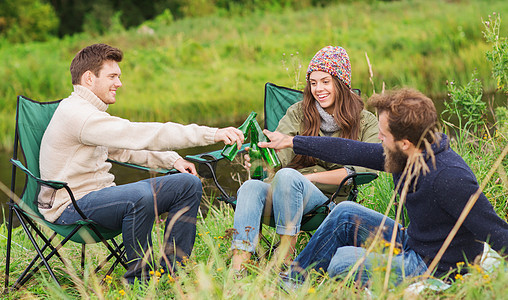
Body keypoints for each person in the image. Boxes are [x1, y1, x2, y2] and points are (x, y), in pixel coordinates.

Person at [38, 43, 244, 283]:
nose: (119, 83)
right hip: (70, 207)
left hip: (100, 197)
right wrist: (211, 134)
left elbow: (124, 150)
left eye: (119, 76)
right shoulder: (79, 115)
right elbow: (141, 133)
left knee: (188, 184)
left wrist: (172, 159)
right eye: (112, 76)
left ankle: (173, 268)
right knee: (139, 196)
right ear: (88, 79)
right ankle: (139, 278)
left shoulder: (89, 113)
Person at [259, 88, 508, 286]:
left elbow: (496, 231)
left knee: (343, 262)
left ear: (405, 143)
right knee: (344, 212)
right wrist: (292, 141)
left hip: (434, 267)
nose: (379, 139)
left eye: (383, 135)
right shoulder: (406, 155)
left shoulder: (450, 178)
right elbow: (350, 150)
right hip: (412, 240)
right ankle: (292, 282)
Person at [230, 46, 379, 272]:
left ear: (341, 82)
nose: (318, 89)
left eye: (325, 81)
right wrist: (262, 159)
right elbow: (280, 156)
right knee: (250, 186)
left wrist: (307, 180)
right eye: (313, 82)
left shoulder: (365, 121)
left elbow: (365, 168)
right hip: (282, 190)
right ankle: (239, 265)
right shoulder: (299, 112)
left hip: (326, 199)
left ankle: (286, 258)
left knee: (289, 176)